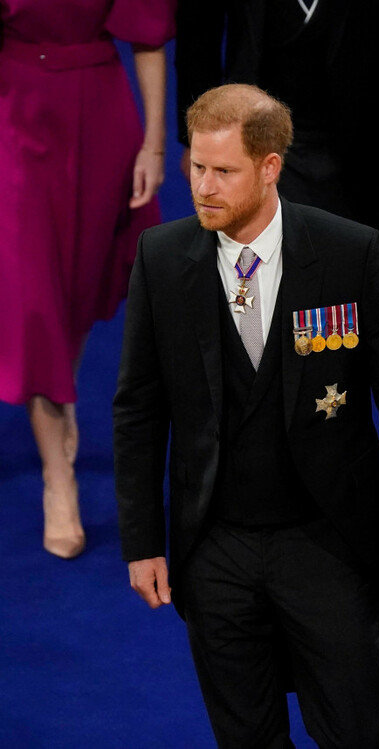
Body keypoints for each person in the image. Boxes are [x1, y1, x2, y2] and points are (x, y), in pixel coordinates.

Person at [114, 84, 379, 748]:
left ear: (270, 167)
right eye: (197, 167)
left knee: (353, 729)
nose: (204, 186)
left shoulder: (349, 253)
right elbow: (138, 410)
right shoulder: (160, 259)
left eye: (224, 171)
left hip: (326, 539)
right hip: (216, 546)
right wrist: (143, 540)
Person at [0, 0, 175, 558]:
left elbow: (148, 37)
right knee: (33, 297)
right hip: (14, 114)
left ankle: (58, 393)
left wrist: (152, 142)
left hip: (99, 113)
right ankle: (59, 481)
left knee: (76, 285)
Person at [175, 0, 379, 260]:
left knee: (348, 277)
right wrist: (197, 138)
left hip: (360, 148)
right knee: (255, 274)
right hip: (254, 140)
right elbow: (197, 36)